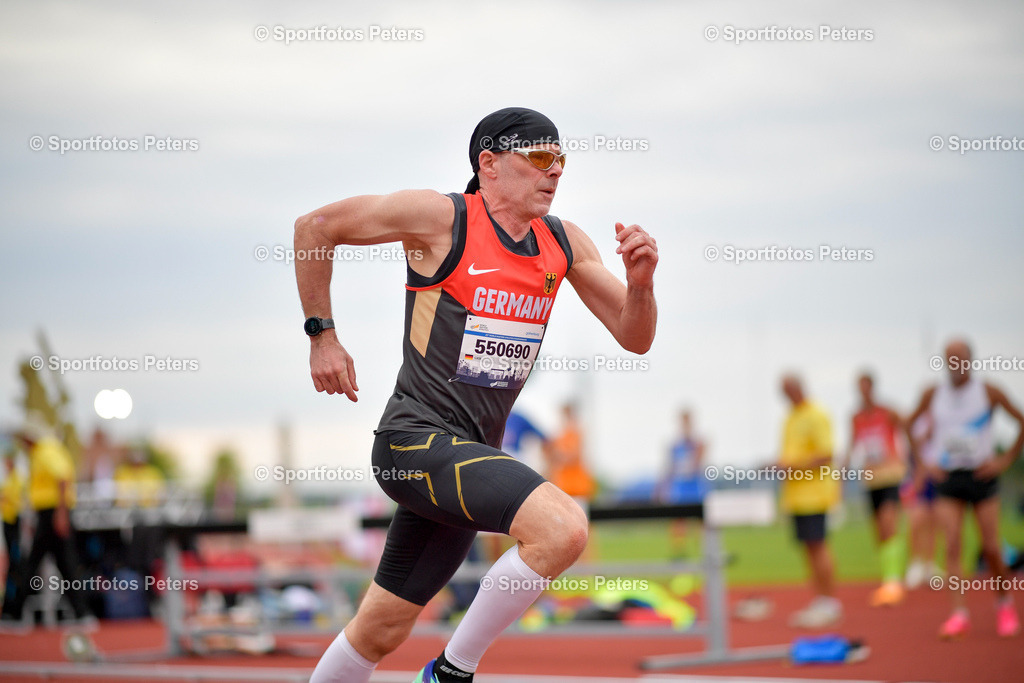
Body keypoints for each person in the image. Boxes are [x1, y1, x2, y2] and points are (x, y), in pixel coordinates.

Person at [296, 107, 658, 683]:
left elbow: (634, 336)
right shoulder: (442, 219)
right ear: (489, 163)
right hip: (414, 443)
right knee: (563, 528)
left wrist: (640, 286)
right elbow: (315, 227)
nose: (555, 170)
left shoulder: (563, 242)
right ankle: (451, 673)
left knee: (379, 630)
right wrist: (323, 337)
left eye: (561, 159)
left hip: (469, 458)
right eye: (540, 156)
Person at [907, 339, 1024, 638]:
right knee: (952, 544)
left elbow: (1020, 420)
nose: (954, 364)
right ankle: (959, 613)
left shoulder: (988, 391)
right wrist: (925, 462)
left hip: (981, 476)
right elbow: (908, 425)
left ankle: (1004, 605)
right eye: (949, 358)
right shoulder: (933, 393)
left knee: (991, 547)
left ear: (971, 359)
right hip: (948, 477)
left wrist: (1005, 459)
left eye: (959, 358)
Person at [1, 413, 94, 628]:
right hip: (49, 512)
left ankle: (14, 613)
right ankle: (81, 612)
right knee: (62, 563)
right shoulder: (41, 452)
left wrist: (60, 513)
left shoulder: (45, 450)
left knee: (35, 563)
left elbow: (62, 478)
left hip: (52, 512)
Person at [776, 374, 842, 629]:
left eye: (787, 390)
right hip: (796, 497)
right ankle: (820, 599)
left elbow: (826, 454)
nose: (785, 395)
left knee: (819, 545)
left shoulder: (817, 414)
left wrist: (792, 465)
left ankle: (829, 602)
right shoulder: (790, 417)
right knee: (809, 549)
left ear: (798, 388)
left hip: (815, 494)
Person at [844, 372, 910, 607]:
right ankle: (887, 577)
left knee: (889, 524)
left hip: (890, 474)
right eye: (859, 387)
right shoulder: (856, 417)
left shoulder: (888, 412)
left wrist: (911, 461)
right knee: (879, 532)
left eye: (865, 387)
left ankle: (894, 581)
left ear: (872, 387)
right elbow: (852, 445)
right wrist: (843, 472)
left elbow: (908, 431)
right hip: (870, 478)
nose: (862, 392)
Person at [658, 409, 707, 558]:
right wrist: (664, 488)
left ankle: (705, 552)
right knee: (678, 522)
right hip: (680, 489)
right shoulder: (675, 445)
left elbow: (697, 463)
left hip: (695, 488)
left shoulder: (698, 443)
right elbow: (670, 468)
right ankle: (679, 553)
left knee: (702, 521)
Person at [902, 414, 943, 589]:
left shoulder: (940, 416)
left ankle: (929, 565)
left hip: (937, 475)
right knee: (916, 521)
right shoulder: (916, 421)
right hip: (918, 476)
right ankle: (915, 563)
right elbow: (911, 447)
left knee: (933, 522)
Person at [545, 403, 596, 503]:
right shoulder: (560, 435)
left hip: (576, 486)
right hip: (563, 485)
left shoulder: (575, 432)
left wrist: (558, 455)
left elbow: (574, 455)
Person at [1, 452, 25, 622]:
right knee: (12, 565)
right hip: (8, 522)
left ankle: (14, 606)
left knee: (16, 565)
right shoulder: (9, 480)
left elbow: (18, 501)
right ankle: (10, 606)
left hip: (14, 523)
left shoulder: (17, 480)